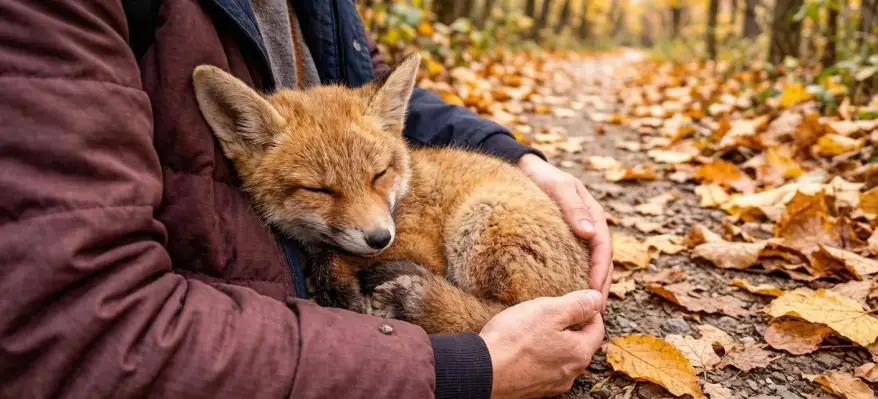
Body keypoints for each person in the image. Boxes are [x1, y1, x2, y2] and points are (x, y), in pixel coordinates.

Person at [0, 1, 612, 398]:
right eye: (322, 192)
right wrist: (464, 369)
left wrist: (516, 153)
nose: (377, 224)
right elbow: (81, 325)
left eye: (374, 186)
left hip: (487, 272)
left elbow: (358, 86)